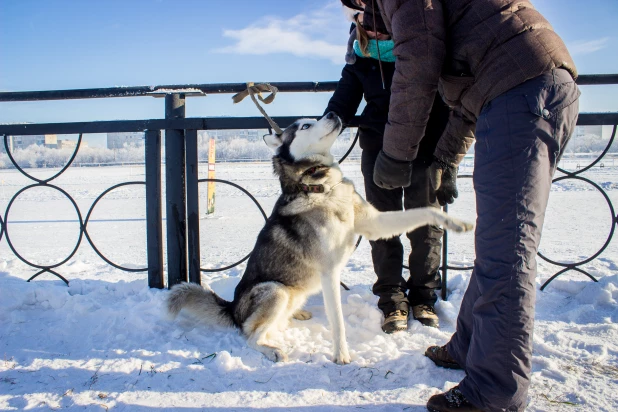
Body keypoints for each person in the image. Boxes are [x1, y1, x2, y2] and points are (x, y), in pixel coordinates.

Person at [362, 0, 580, 411]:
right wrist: (444, 160)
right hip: (534, 86)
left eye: (357, 13)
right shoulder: (474, 30)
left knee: (508, 253)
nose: (360, 25)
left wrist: (396, 155)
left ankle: (494, 392)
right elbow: (466, 101)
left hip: (523, 93)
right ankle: (468, 345)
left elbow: (420, 61)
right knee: (499, 241)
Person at [325, 0, 455, 333]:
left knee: (426, 227)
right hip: (378, 152)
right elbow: (341, 104)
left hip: (425, 150)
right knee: (382, 227)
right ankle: (391, 298)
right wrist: (318, 132)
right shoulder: (361, 60)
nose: (370, 26)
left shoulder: (423, 49)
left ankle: (424, 295)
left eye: (374, 18)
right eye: (362, 21)